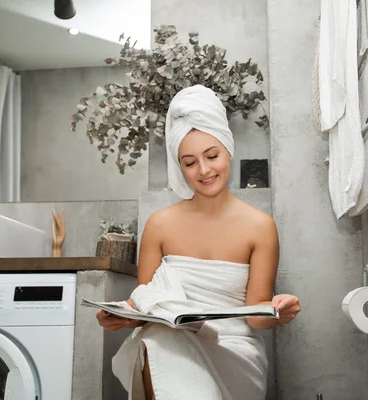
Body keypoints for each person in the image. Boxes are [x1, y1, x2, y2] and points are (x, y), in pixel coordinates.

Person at [95, 85, 300, 400]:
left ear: (227, 148)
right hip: (168, 343)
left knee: (160, 344)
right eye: (189, 163)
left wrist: (277, 311)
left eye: (212, 156)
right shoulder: (160, 225)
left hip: (232, 350)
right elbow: (147, 303)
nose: (204, 170)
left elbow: (256, 317)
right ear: (179, 167)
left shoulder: (260, 227)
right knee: (157, 341)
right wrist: (121, 316)